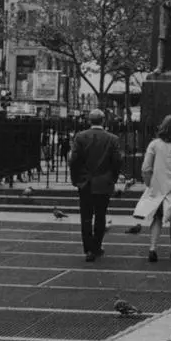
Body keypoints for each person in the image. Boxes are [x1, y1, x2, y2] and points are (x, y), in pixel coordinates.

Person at [132, 115, 171, 262]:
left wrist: (149, 183)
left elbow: (146, 168)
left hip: (158, 186)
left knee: (157, 218)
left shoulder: (154, 145)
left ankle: (152, 248)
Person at [69, 109, 123, 262]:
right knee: (101, 216)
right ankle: (97, 246)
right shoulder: (112, 139)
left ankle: (88, 249)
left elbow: (74, 161)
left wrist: (76, 179)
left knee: (86, 217)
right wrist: (112, 178)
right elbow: (117, 161)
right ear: (103, 121)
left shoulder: (80, 137)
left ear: (89, 121)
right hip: (103, 183)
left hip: (85, 182)